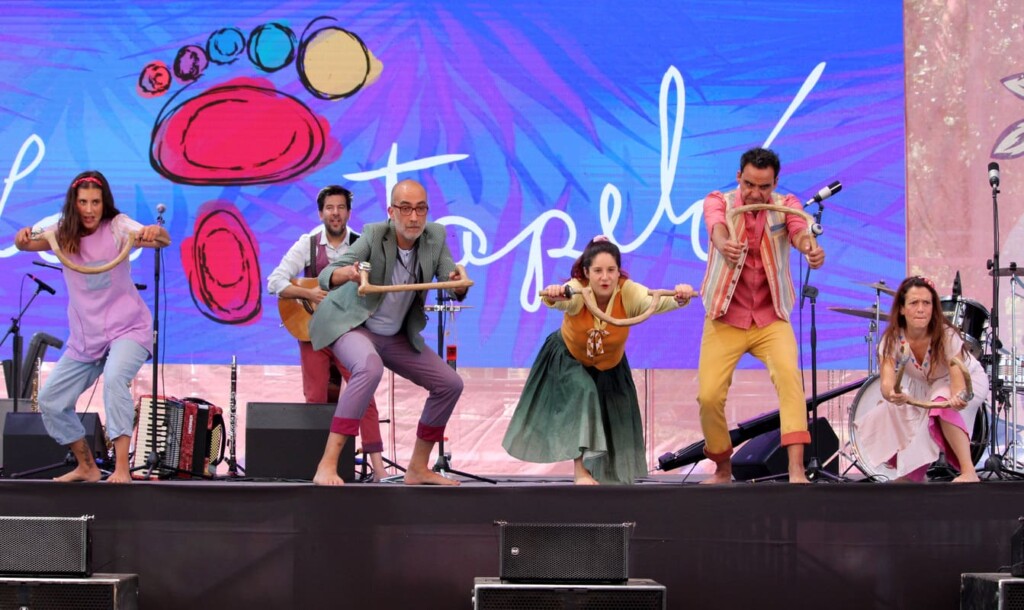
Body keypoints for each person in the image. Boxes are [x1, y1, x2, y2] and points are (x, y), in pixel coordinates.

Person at [308, 179, 469, 486]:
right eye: (405, 209)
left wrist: (457, 283)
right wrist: (350, 273)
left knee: (450, 384)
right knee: (369, 368)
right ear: (391, 211)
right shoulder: (374, 234)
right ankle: (326, 465)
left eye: (420, 209)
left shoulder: (435, 236)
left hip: (395, 336)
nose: (414, 217)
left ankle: (417, 468)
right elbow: (327, 275)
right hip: (354, 326)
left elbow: (450, 278)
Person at [14, 170, 169, 483]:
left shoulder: (118, 225)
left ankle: (122, 469)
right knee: (51, 400)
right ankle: (87, 465)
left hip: (128, 328)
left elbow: (161, 240)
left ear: (104, 202)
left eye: (95, 202)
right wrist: (21, 238)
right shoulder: (61, 230)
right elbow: (26, 243)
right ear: (74, 203)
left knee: (114, 378)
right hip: (87, 336)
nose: (89, 209)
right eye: (83, 202)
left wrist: (155, 232)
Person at [503, 237, 697, 484]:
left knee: (614, 415)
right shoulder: (578, 289)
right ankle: (580, 471)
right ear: (586, 272)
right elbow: (565, 299)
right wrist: (555, 295)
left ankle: (607, 477)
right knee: (584, 392)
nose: (605, 277)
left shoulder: (628, 292)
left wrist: (680, 297)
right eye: (597, 271)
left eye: (611, 270)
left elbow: (653, 301)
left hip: (609, 365)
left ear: (618, 272)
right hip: (569, 358)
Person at [697, 147, 826, 484]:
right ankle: (723, 468)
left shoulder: (786, 205)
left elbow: (799, 231)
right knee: (708, 396)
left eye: (764, 187)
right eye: (749, 185)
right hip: (725, 317)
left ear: (775, 183)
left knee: (790, 381)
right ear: (739, 177)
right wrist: (723, 243)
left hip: (771, 318)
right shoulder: (719, 200)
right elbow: (715, 224)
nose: (756, 193)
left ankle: (796, 470)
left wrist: (810, 248)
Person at [267, 185, 386, 480]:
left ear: (348, 213)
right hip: (315, 333)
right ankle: (320, 465)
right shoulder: (307, 244)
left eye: (341, 208)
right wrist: (308, 294)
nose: (335, 213)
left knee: (364, 392)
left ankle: (379, 468)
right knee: (315, 397)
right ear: (321, 213)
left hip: (350, 332)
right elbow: (275, 281)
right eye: (330, 208)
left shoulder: (361, 244)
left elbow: (375, 286)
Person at [853, 276, 986, 483]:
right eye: (914, 303)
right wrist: (892, 394)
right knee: (899, 413)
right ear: (902, 309)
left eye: (926, 303)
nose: (921, 309)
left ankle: (969, 472)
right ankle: (912, 475)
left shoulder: (946, 335)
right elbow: (887, 383)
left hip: (966, 381)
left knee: (942, 402)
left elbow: (958, 381)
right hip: (926, 385)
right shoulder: (891, 339)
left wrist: (958, 397)